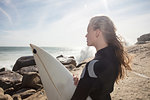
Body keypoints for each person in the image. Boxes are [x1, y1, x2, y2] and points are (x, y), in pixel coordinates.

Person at [71, 16, 131, 100]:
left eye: (88, 31)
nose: (86, 35)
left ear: (97, 33)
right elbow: (100, 89)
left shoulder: (92, 66)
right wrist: (83, 83)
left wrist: (84, 82)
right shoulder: (115, 58)